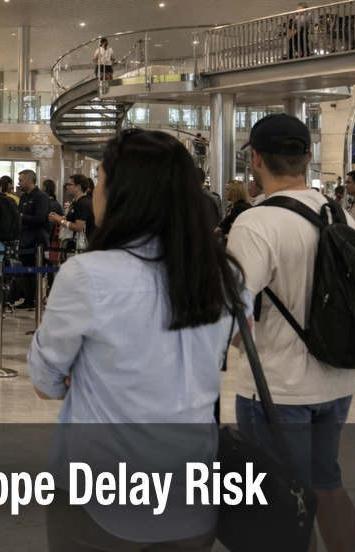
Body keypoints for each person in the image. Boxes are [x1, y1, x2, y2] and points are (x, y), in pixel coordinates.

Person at [29, 129, 249, 549]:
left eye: (100, 178)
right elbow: (234, 340)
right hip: (192, 496)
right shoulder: (225, 273)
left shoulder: (89, 275)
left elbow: (45, 383)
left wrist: (85, 373)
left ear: (121, 193)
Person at [226, 114, 355, 552]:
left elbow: (234, 309)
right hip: (336, 379)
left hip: (276, 388)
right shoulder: (338, 211)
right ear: (306, 157)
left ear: (256, 159)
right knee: (326, 482)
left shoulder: (256, 222)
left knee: (280, 500)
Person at [51, 173, 95, 251]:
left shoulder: (82, 203)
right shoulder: (76, 202)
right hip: (73, 244)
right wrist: (59, 218)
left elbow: (79, 227)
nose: (67, 187)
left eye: (69, 184)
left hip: (78, 246)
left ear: (78, 186)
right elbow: (74, 218)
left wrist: (60, 221)